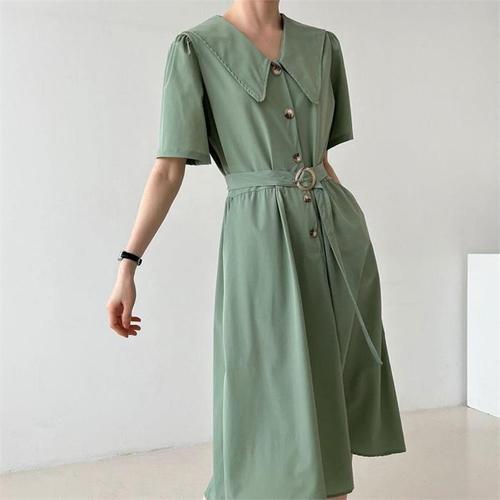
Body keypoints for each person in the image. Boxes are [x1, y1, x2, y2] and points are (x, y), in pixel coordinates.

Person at [106, 2, 407, 499]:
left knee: (328, 389)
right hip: (259, 243)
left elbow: (321, 159)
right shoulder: (196, 48)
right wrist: (128, 264)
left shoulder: (322, 46)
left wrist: (353, 235)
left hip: (336, 238)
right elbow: (167, 169)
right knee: (264, 392)